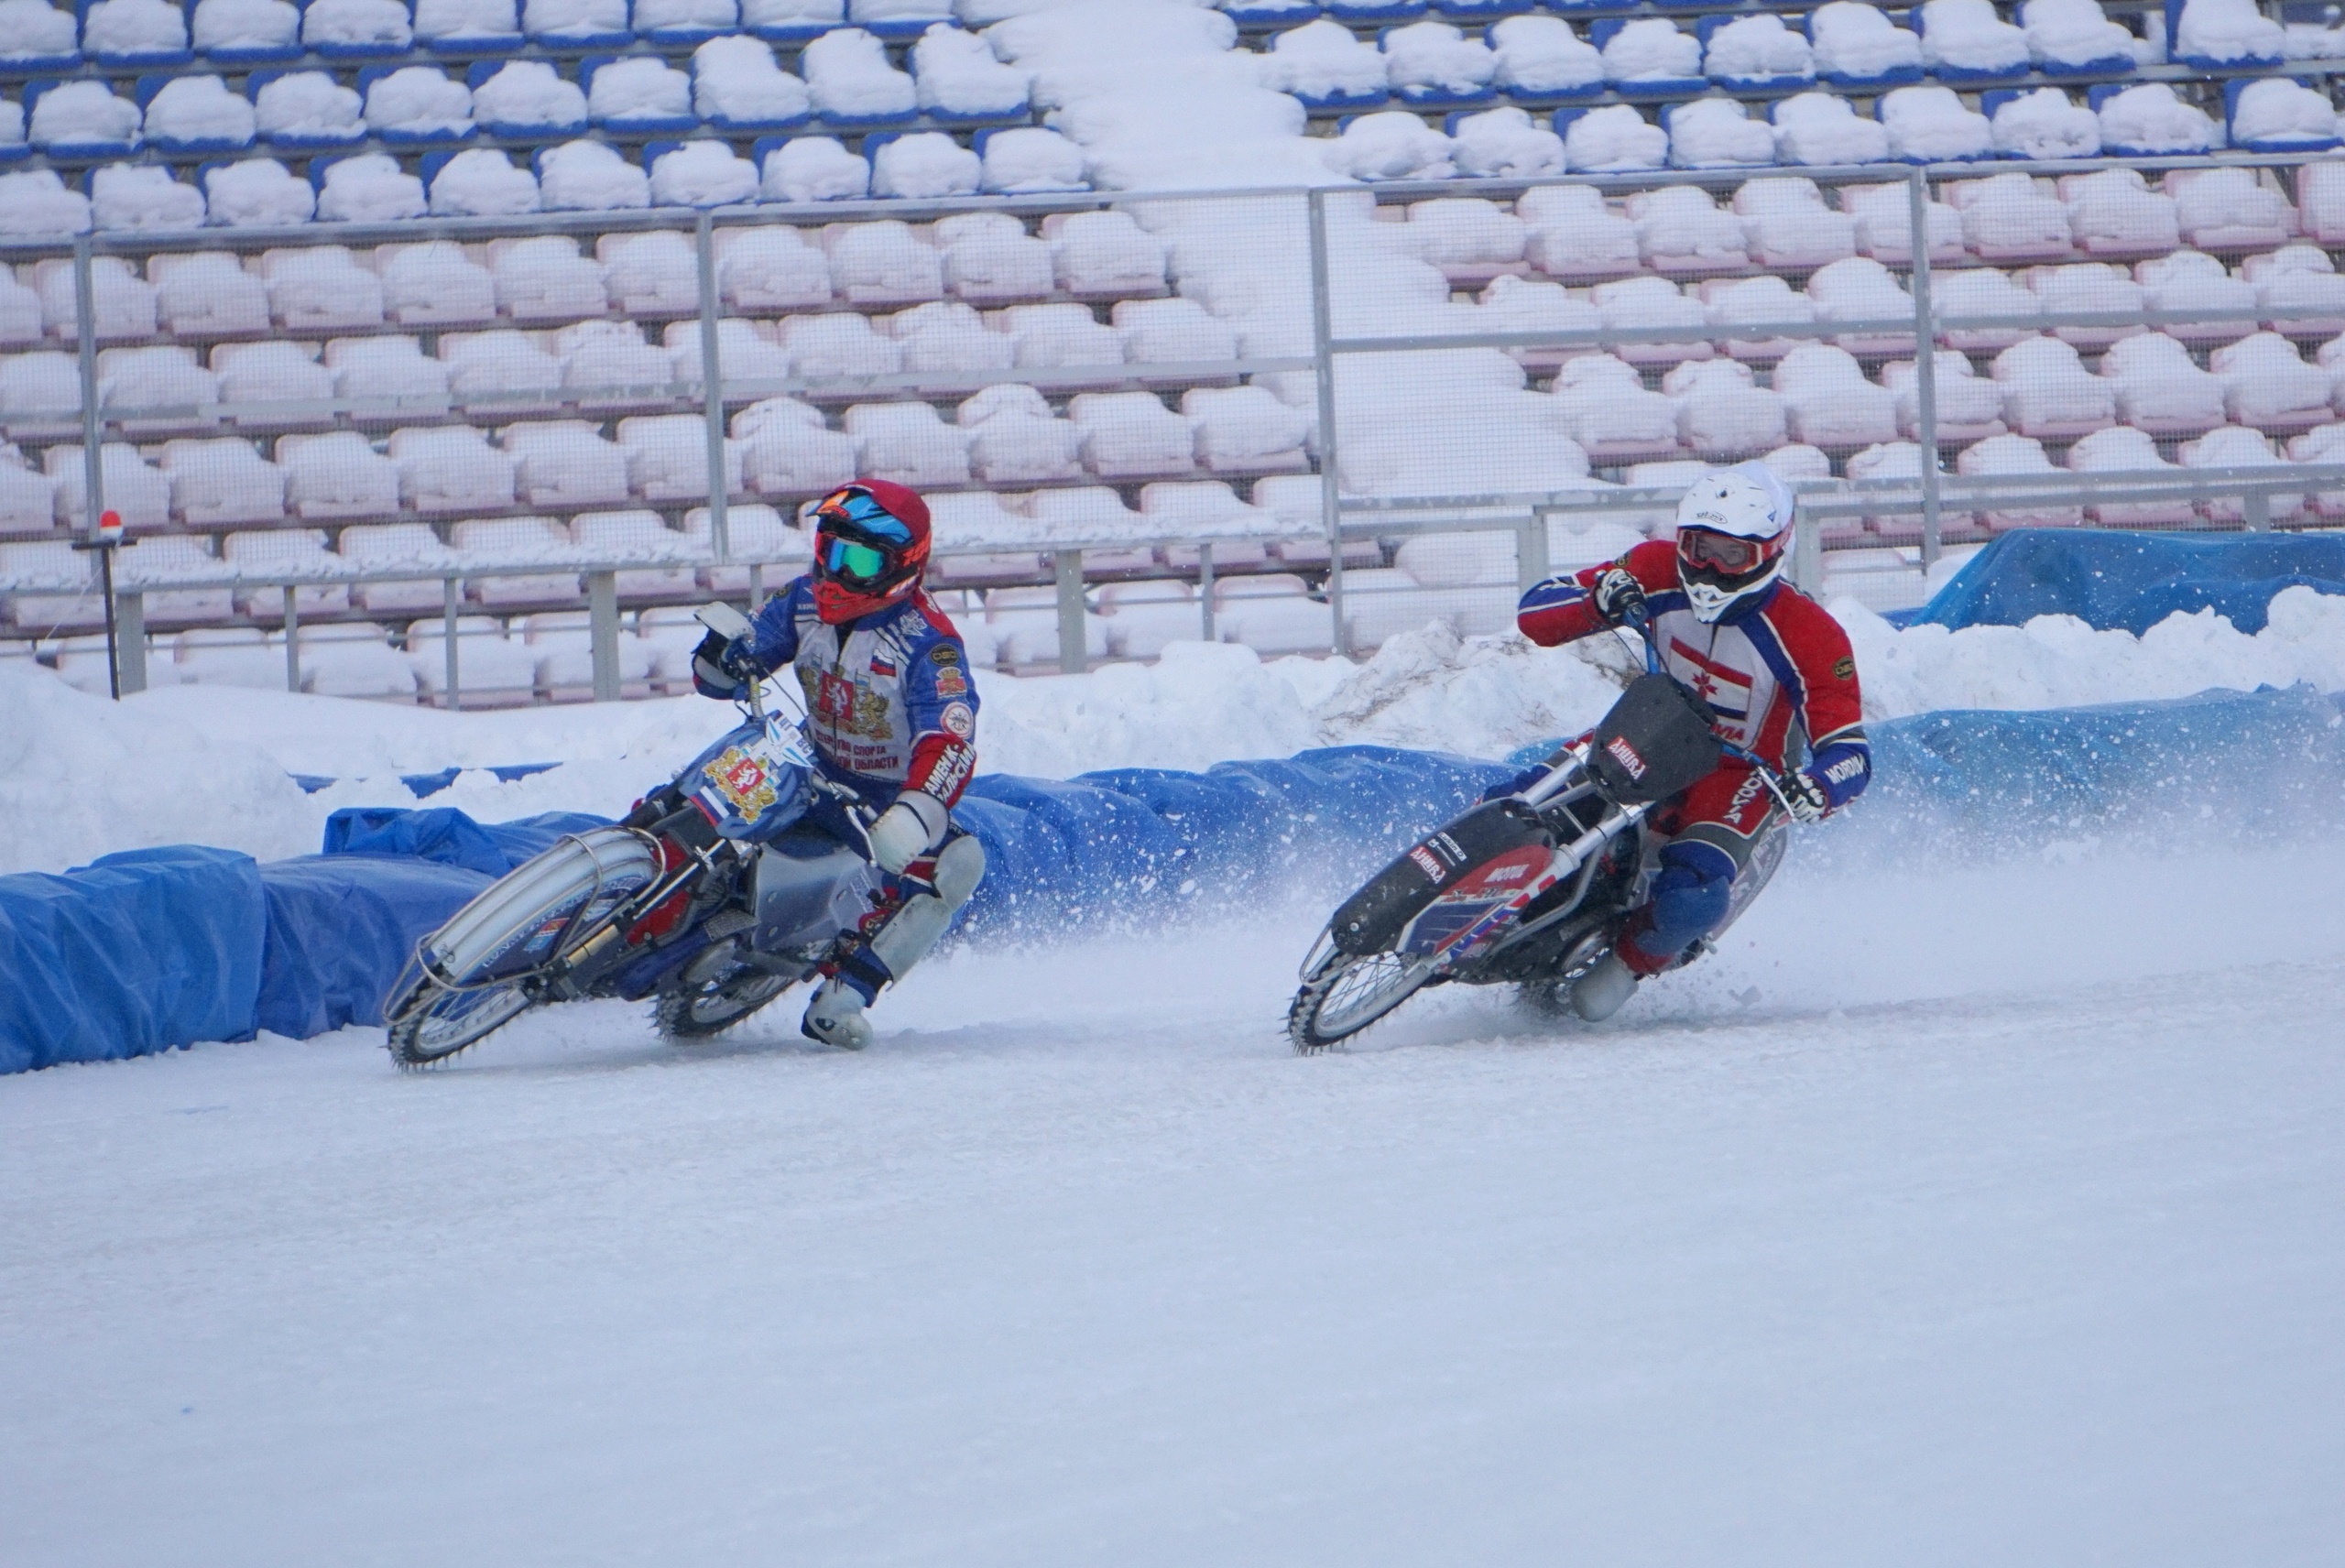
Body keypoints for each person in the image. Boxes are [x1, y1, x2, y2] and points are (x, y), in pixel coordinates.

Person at [1512, 462, 1871, 1020]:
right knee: (1518, 801)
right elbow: (1535, 615)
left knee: (1692, 898)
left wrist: (1819, 787)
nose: (1708, 568)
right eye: (1698, 546)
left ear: (1772, 552)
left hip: (1737, 776)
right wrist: (1595, 600)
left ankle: (1624, 968)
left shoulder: (1812, 635)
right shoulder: (1654, 567)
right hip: (1643, 734)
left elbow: (1849, 750)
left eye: (1731, 555)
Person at [690, 478, 984, 1051]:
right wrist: (721, 657)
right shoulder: (802, 599)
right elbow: (746, 654)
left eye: (859, 559)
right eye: (831, 551)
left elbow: (951, 740)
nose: (838, 573)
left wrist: (914, 815)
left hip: (875, 799)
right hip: (801, 764)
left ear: (903, 565)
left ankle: (844, 995)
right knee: (712, 776)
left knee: (960, 862)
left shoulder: (931, 645)